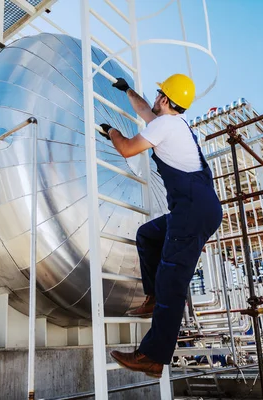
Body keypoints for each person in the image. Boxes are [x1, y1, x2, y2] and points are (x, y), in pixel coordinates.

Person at [99, 74, 223, 378]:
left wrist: (112, 132)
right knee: (148, 235)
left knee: (173, 282)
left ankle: (153, 357)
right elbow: (146, 112)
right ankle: (153, 297)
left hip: (192, 211)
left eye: (158, 94)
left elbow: (127, 149)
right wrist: (127, 90)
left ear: (165, 99)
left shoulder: (164, 126)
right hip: (195, 207)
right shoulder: (172, 124)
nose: (155, 98)